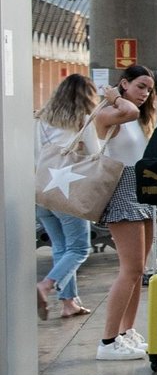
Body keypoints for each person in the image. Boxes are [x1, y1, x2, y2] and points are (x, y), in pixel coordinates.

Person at [93, 65, 157, 360]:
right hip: (121, 189)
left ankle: (125, 331)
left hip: (142, 189)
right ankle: (107, 341)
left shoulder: (139, 116)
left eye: (149, 89)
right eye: (140, 86)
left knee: (139, 270)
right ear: (124, 84)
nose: (145, 94)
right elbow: (130, 112)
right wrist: (113, 97)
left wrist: (122, 97)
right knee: (129, 269)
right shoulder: (111, 113)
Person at [35, 73, 98, 320]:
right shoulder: (84, 121)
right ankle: (46, 285)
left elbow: (35, 156)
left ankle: (68, 302)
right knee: (80, 248)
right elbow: (95, 155)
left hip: (41, 190)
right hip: (67, 192)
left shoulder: (40, 120)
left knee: (61, 247)